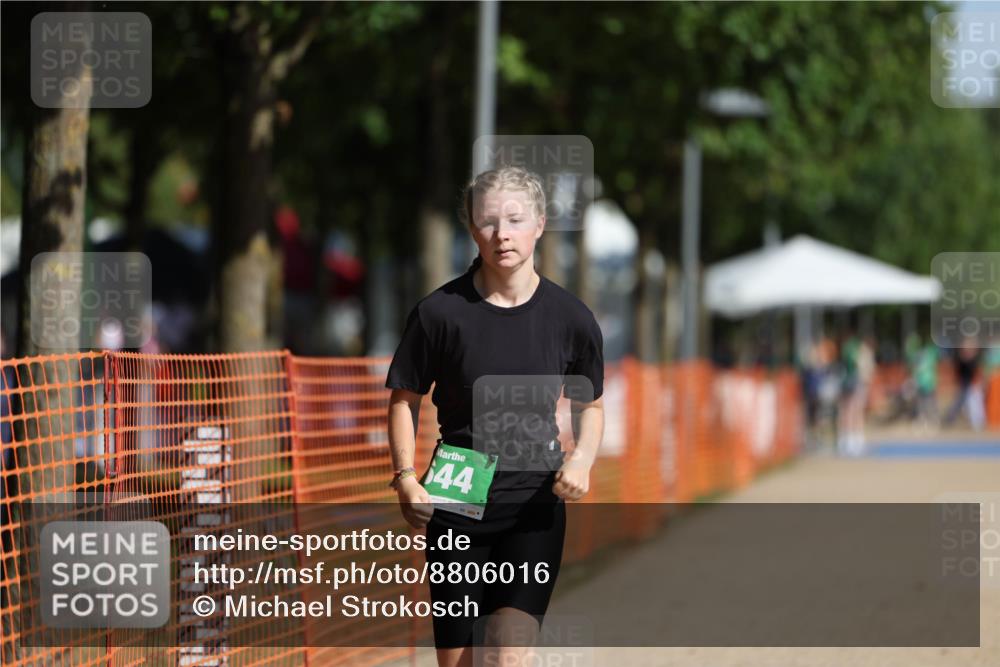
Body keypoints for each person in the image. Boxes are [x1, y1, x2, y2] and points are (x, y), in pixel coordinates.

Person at [385, 166, 605, 666]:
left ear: (540, 224)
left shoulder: (571, 318)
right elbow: (404, 398)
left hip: (532, 506)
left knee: (507, 655)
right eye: (487, 221)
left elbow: (589, 405)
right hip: (456, 501)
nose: (502, 234)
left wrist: (582, 460)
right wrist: (404, 477)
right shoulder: (439, 313)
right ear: (471, 228)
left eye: (514, 219)